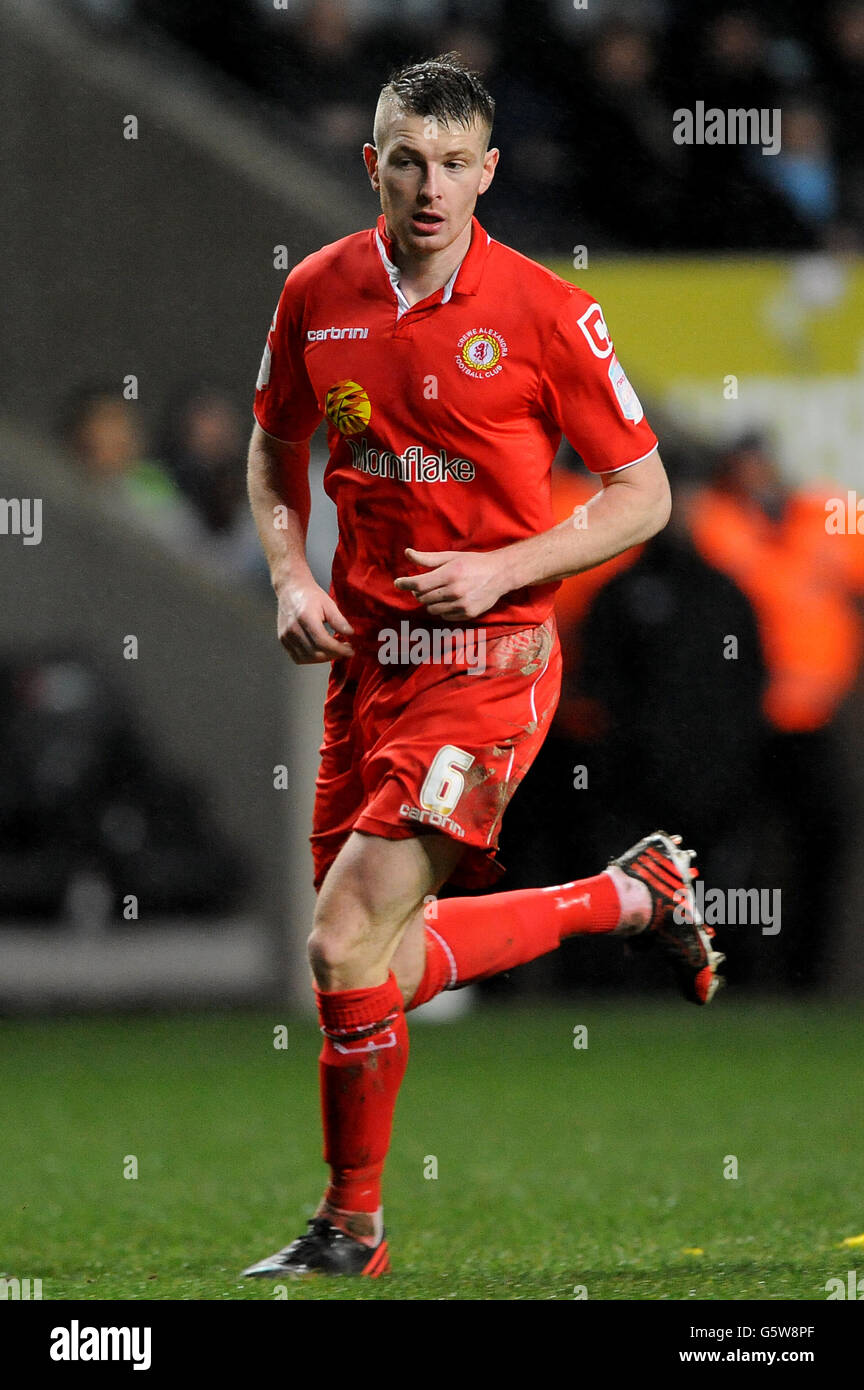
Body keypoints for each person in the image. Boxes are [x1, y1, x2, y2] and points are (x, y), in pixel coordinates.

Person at [243, 54, 723, 1281]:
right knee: (376, 968)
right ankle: (629, 897)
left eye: (456, 163)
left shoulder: (547, 313)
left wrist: (510, 566)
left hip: (491, 665)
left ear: (489, 172)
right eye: (408, 159)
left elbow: (645, 495)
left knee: (343, 941)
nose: (431, 186)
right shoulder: (315, 293)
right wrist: (293, 576)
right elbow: (273, 447)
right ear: (374, 166)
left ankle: (352, 1229)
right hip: (367, 668)